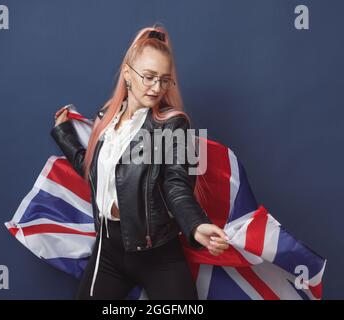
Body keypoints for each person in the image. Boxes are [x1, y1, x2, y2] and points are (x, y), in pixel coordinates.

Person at [50, 24, 229, 300]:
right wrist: (65, 135)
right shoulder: (106, 120)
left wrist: (196, 225)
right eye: (149, 77)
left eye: (164, 79)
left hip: (158, 255)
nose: (157, 87)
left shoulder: (174, 125)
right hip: (108, 250)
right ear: (128, 74)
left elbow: (176, 185)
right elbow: (95, 173)